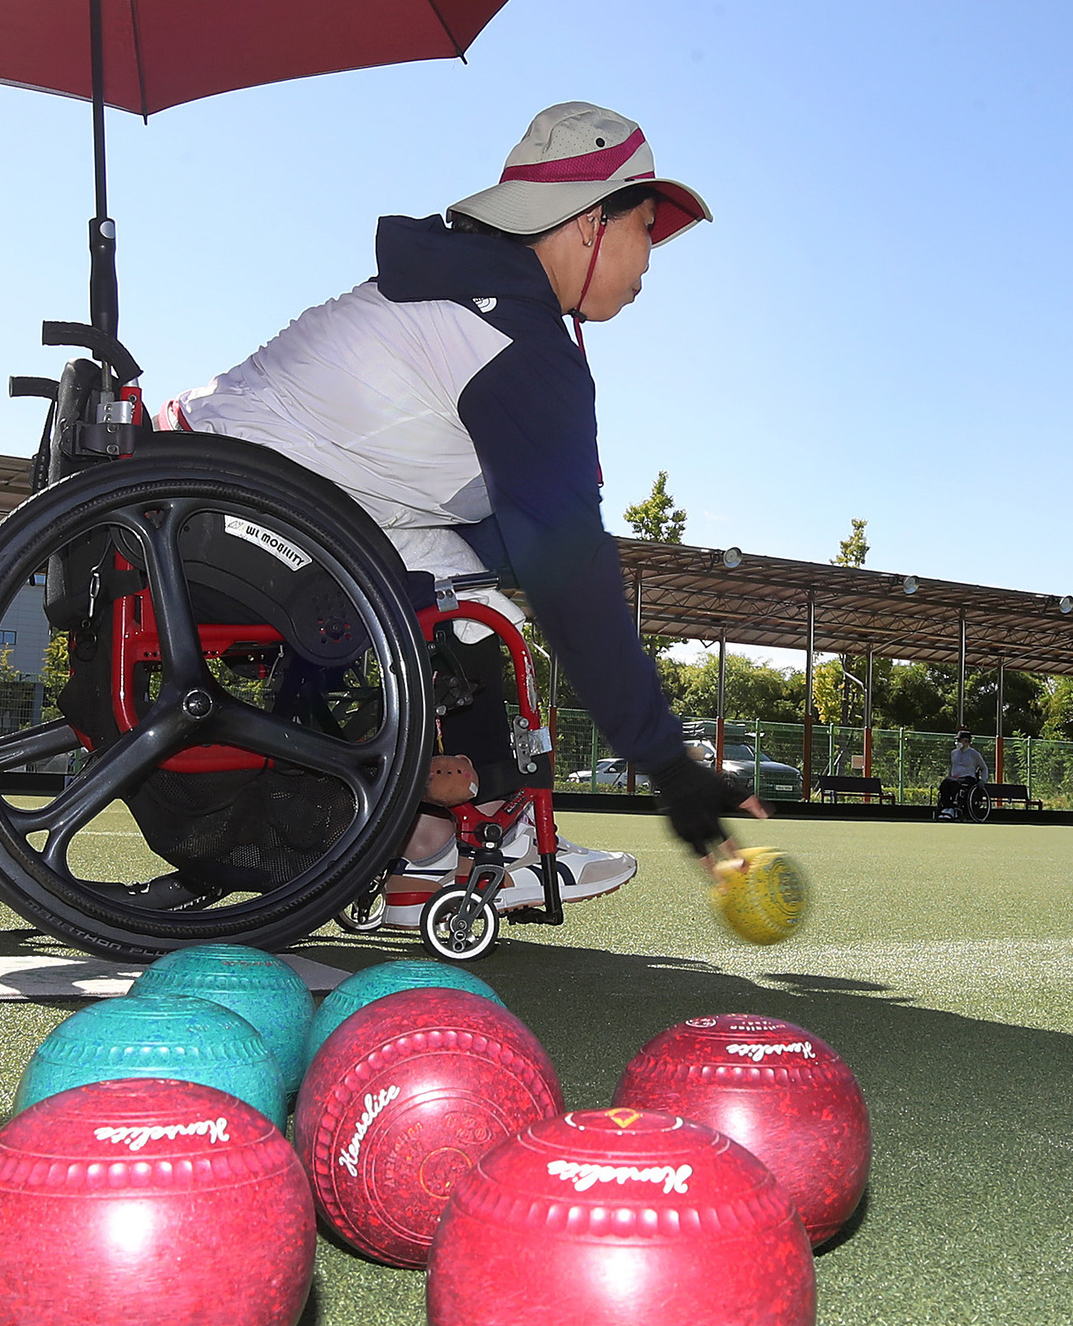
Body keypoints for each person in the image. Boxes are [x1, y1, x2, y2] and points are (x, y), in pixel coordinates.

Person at [162, 101, 764, 928]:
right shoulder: (515, 343)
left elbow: (494, 525)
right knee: (486, 616)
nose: (651, 259)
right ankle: (467, 845)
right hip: (237, 519)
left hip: (204, 493)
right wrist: (668, 761)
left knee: (477, 584)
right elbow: (573, 579)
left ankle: (421, 830)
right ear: (592, 222)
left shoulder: (461, 295)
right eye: (647, 226)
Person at [937, 727, 989, 819]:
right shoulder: (954, 753)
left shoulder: (974, 754)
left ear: (966, 741)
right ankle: (947, 807)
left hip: (968, 778)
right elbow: (952, 767)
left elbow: (984, 768)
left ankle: (954, 809)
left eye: (960, 740)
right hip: (955, 777)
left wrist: (983, 781)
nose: (958, 742)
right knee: (945, 784)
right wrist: (949, 776)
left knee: (957, 784)